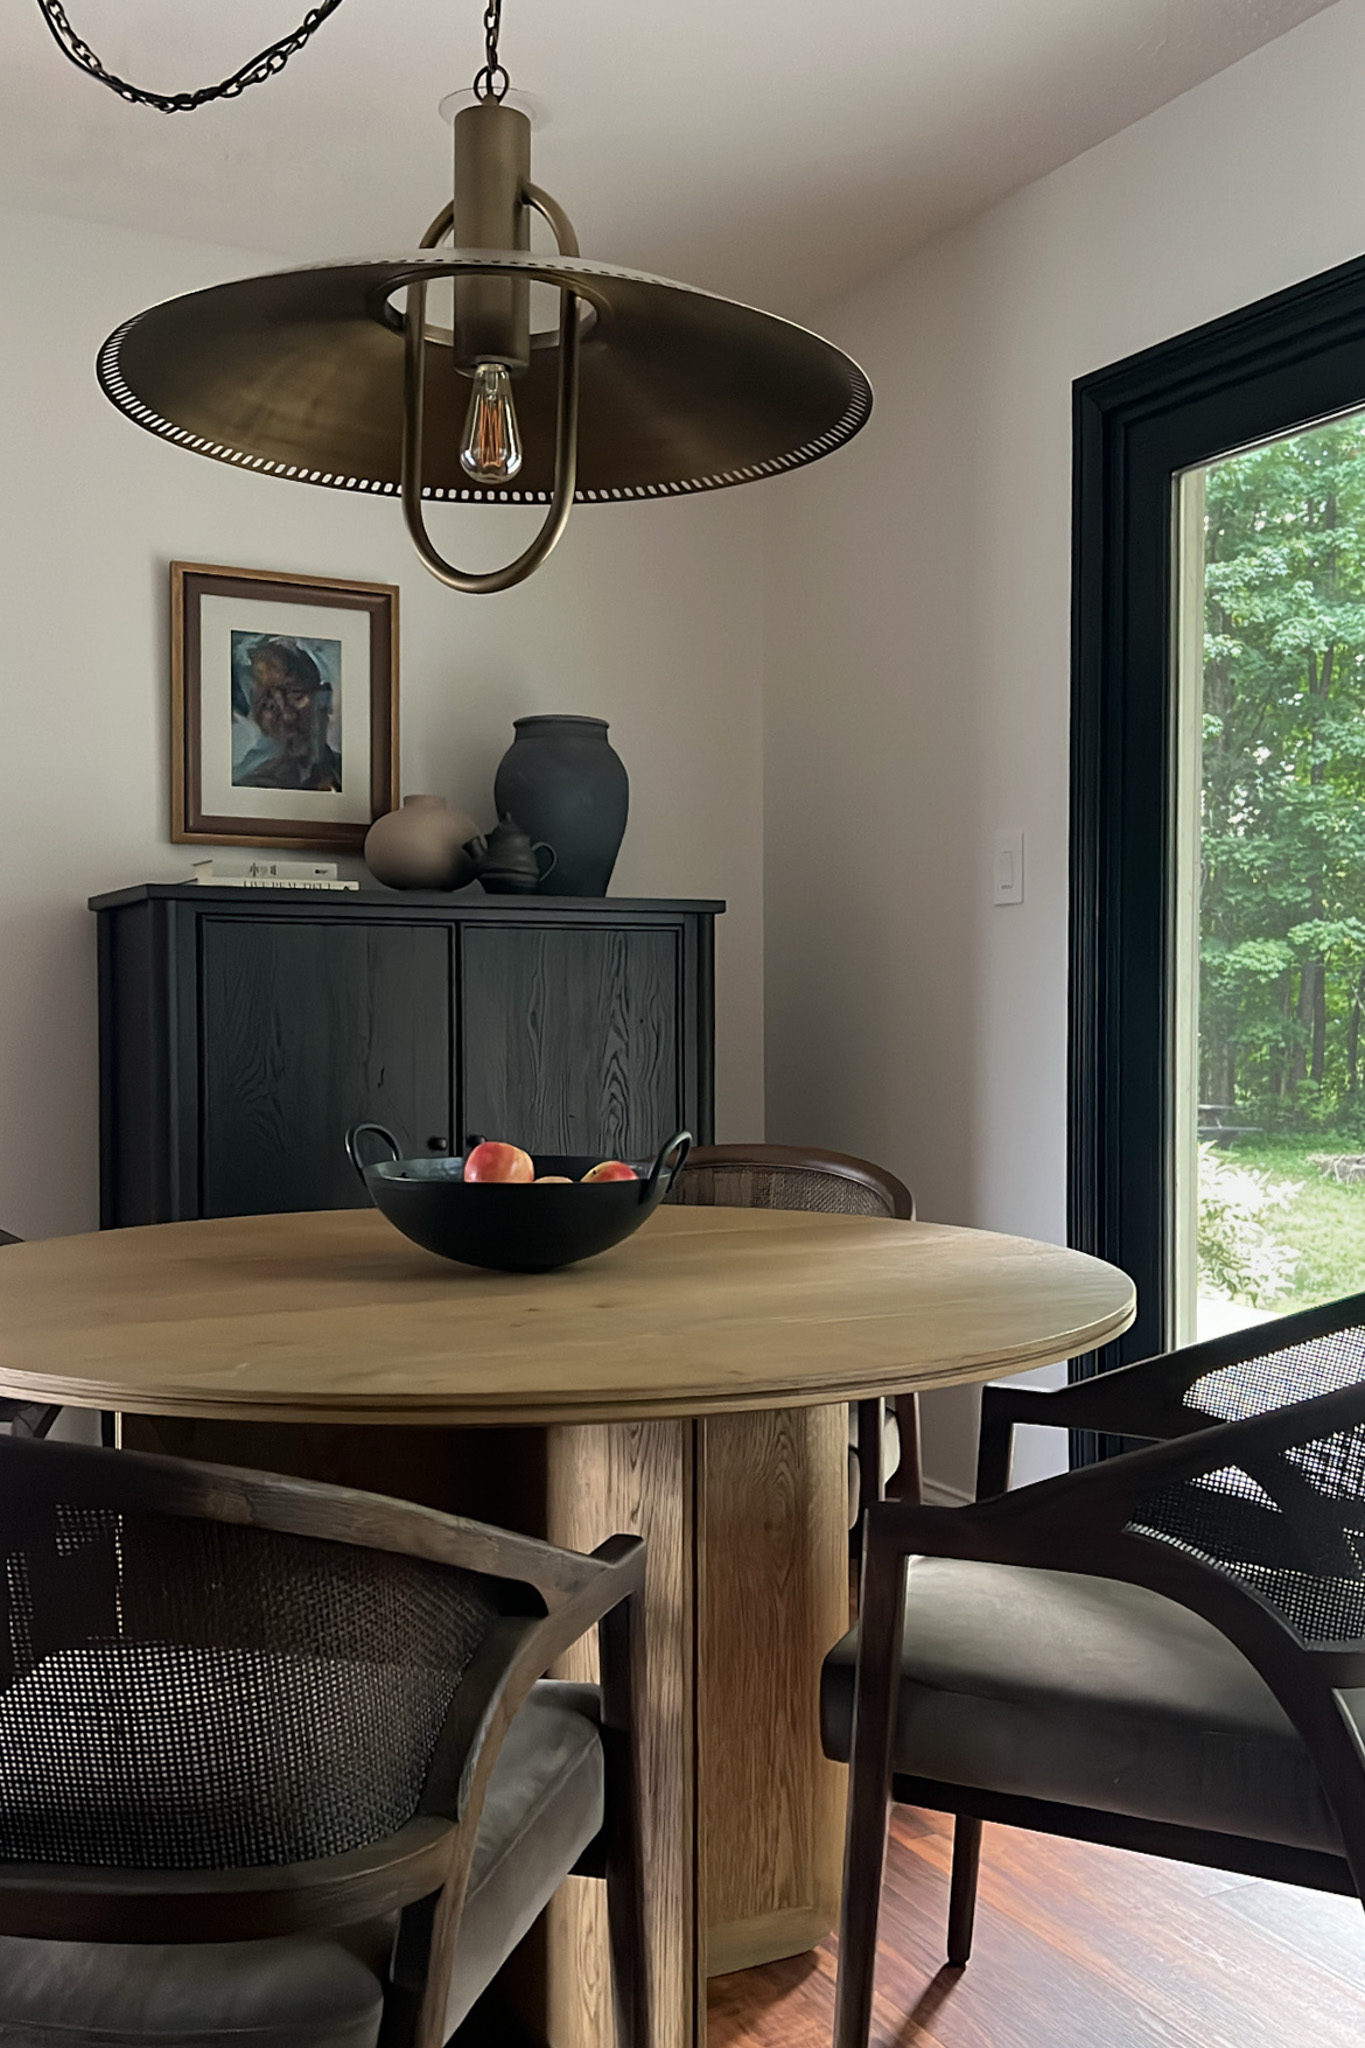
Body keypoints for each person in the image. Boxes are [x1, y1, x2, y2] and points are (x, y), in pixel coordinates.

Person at [232, 637, 342, 792]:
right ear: (257, 719)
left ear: (324, 697)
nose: (287, 715)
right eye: (268, 705)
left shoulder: (349, 776)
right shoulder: (253, 786)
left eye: (296, 694)